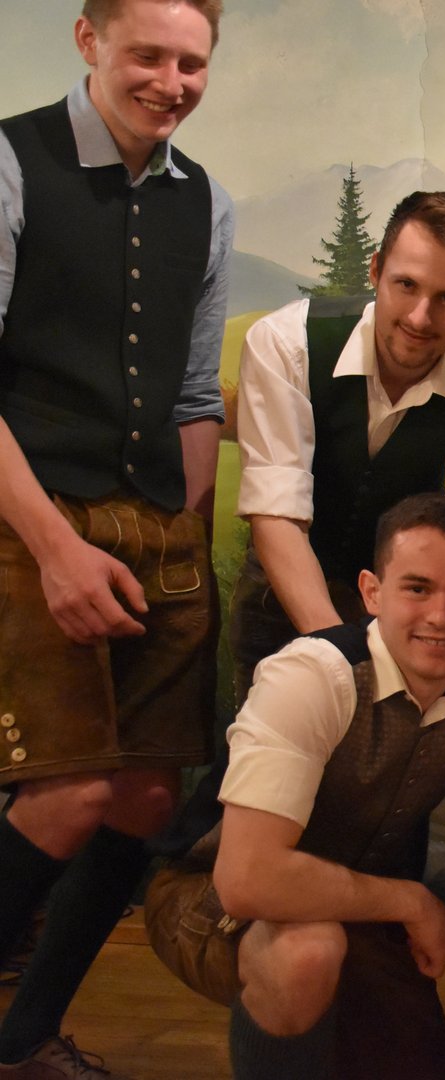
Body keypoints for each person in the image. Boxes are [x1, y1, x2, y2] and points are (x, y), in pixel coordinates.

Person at [0, 1, 232, 1074]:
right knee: (69, 792)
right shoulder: (13, 163)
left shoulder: (207, 201)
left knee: (144, 797)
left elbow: (194, 396)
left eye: (192, 62)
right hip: (29, 514)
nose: (170, 83)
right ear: (89, 40)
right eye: (148, 55)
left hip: (157, 529)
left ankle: (27, 1037)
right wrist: (53, 548)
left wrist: (186, 537)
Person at [143, 494, 445, 1080]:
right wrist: (413, 903)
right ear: (372, 592)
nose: (441, 616)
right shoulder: (313, 677)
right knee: (306, 954)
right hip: (208, 897)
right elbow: (246, 880)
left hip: (353, 909)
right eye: (417, 588)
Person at [231, 190, 445, 701]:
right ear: (376, 270)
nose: (420, 318)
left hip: (408, 608)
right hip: (280, 598)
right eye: (406, 285)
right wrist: (341, 654)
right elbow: (276, 516)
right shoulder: (287, 343)